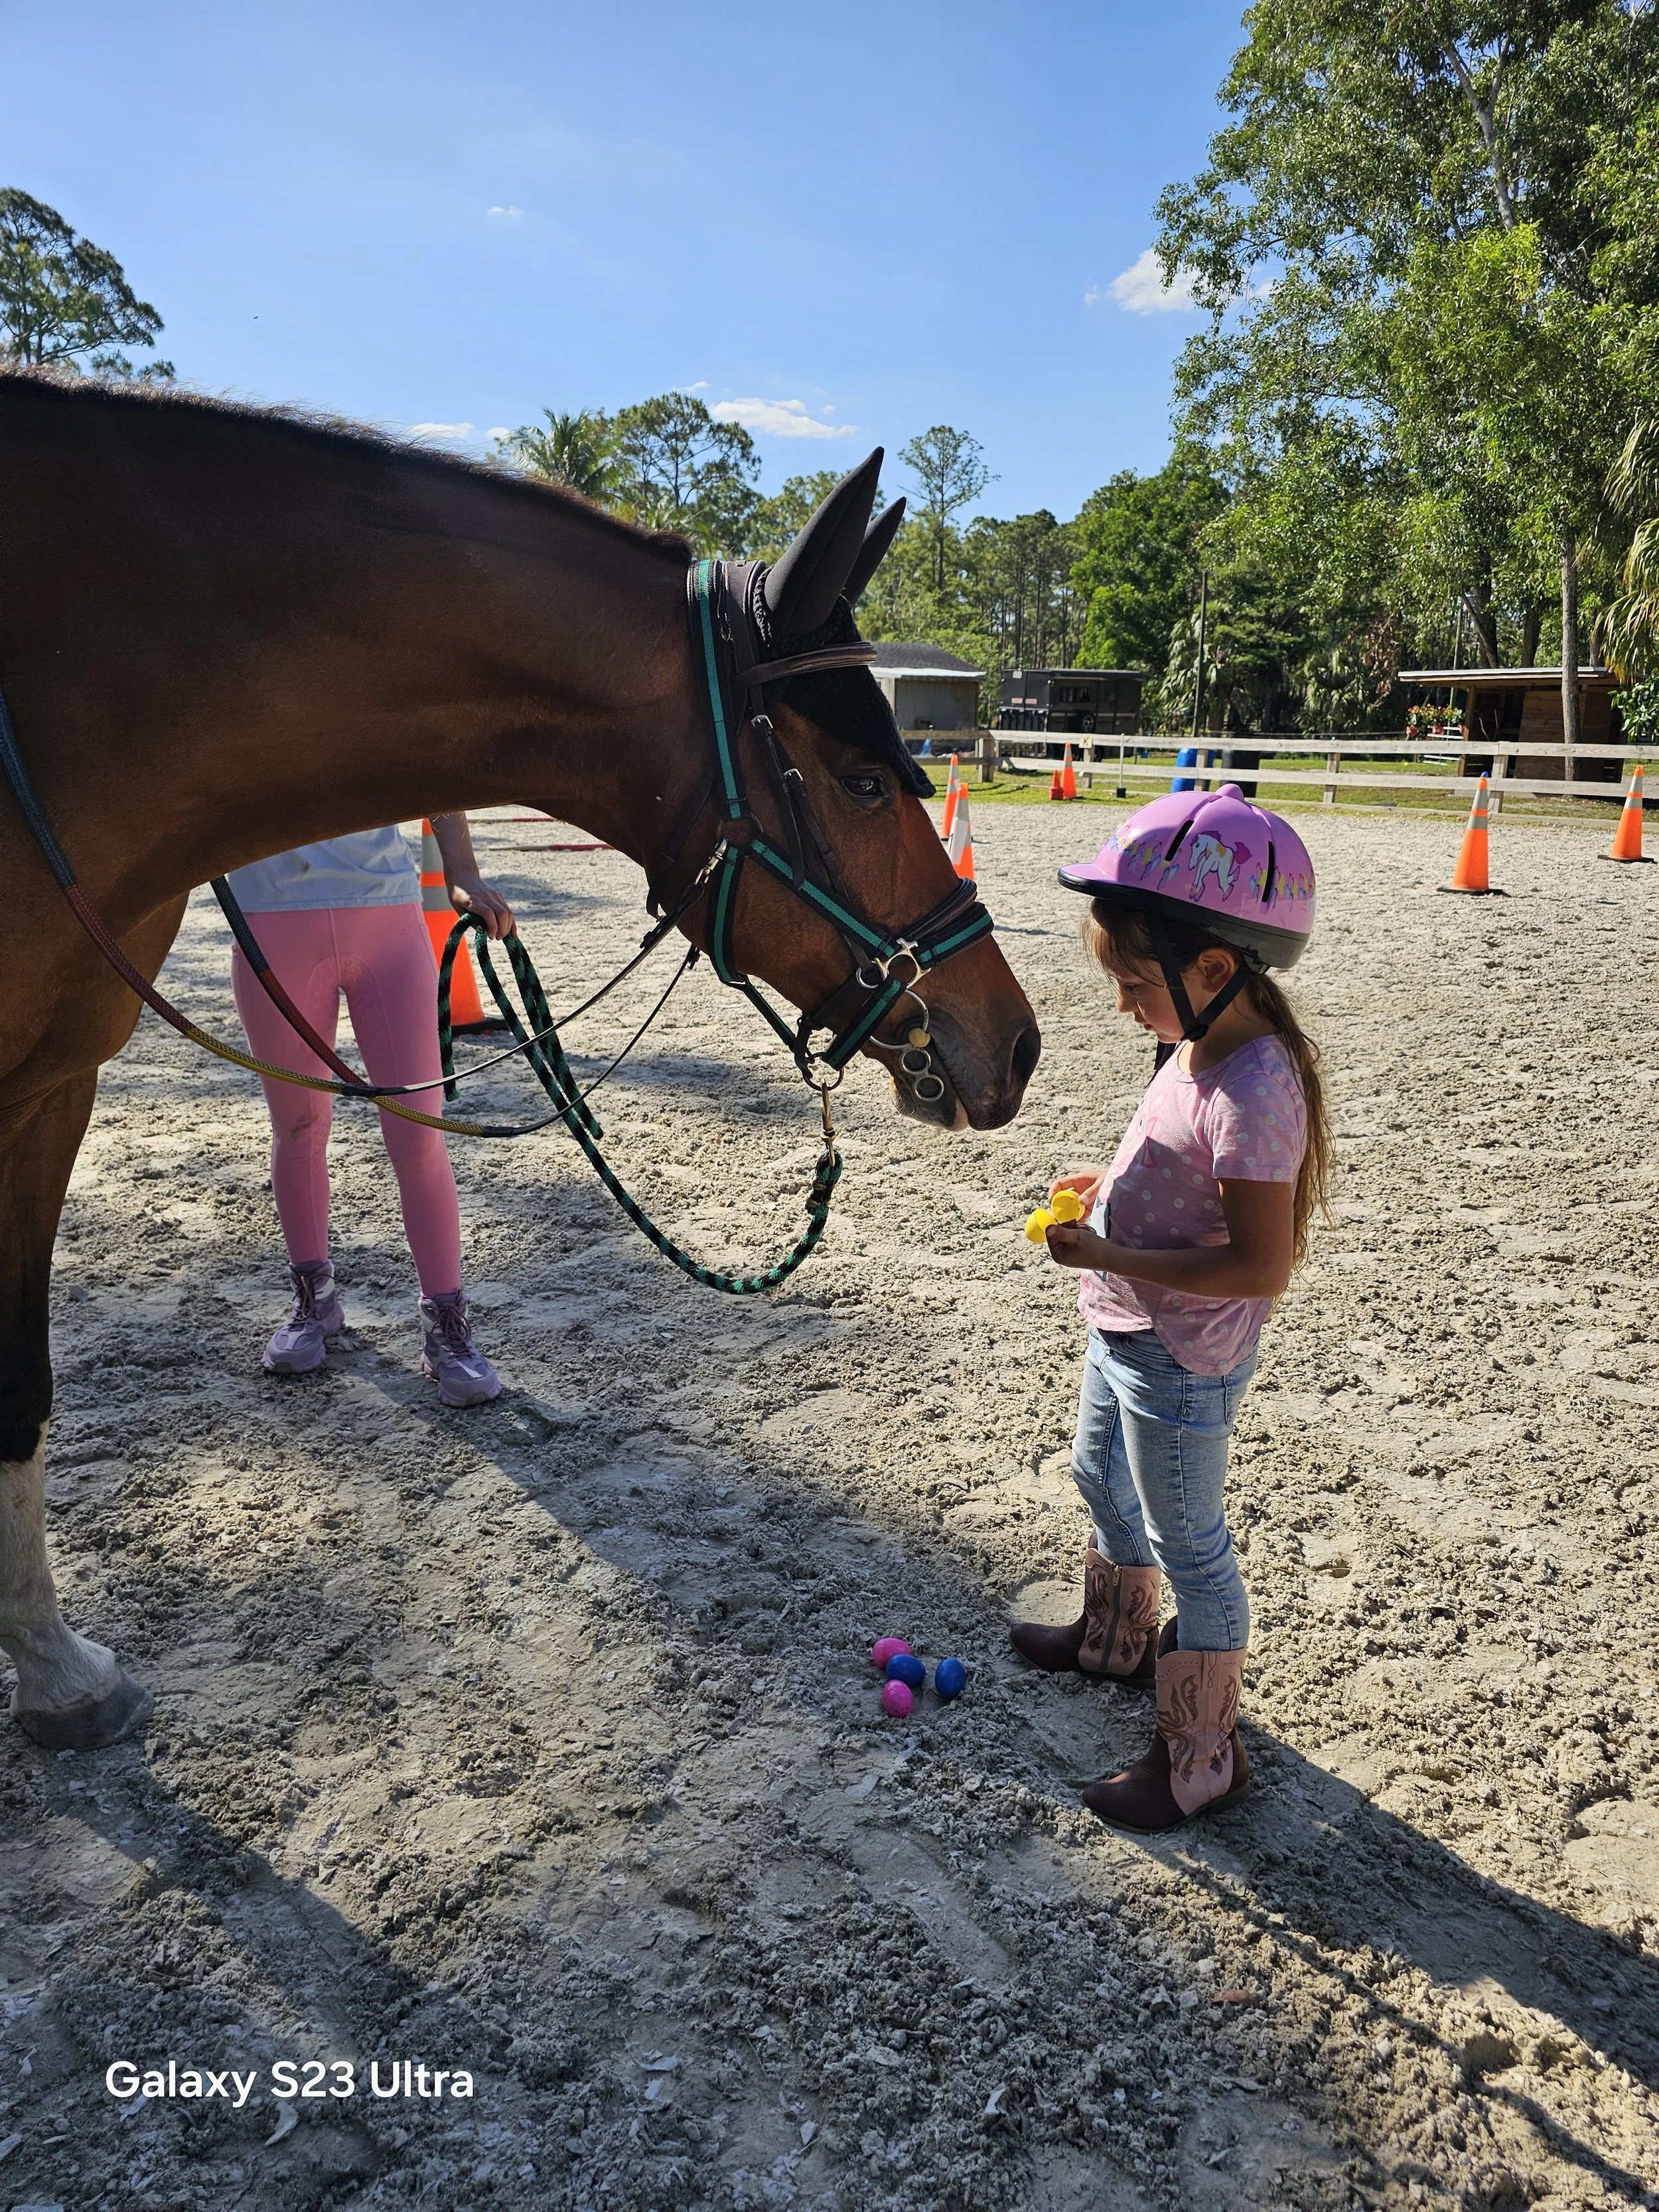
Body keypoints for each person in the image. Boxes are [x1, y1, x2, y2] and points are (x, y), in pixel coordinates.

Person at [1009, 784, 1331, 1833]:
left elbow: (1257, 1265)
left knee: (1191, 1540)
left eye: (1135, 983)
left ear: (1213, 968)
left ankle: (1202, 1753)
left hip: (1182, 1353)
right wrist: (1101, 1188)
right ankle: (1117, 1640)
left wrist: (1105, 1245)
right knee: (1096, 1474)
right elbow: (1165, 1150)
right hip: (1126, 1322)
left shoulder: (1258, 1090)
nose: (1121, 1005)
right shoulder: (1193, 1041)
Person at [224, 814, 515, 1407]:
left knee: (418, 1133)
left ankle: (448, 1328)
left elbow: (426, 741)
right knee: (299, 1125)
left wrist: (462, 870)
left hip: (384, 912)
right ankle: (314, 1301)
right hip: (269, 915)